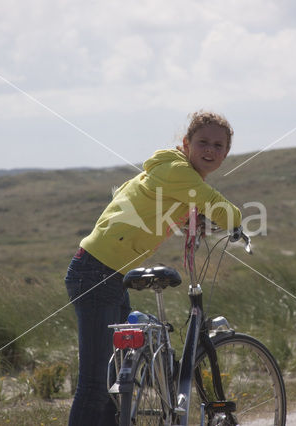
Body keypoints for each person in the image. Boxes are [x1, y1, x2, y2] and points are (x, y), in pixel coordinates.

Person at [64, 110, 243, 425]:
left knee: (112, 385)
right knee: (94, 385)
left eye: (218, 146)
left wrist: (195, 216)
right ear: (186, 143)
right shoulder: (178, 172)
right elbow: (221, 209)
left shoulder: (170, 171)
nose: (210, 151)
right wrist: (235, 223)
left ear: (226, 154)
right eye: (203, 142)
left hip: (109, 275)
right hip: (96, 273)